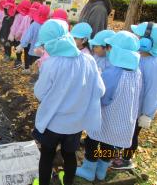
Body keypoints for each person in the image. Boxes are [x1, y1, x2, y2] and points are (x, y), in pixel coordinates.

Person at [32, 19, 105, 185]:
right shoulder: (89, 60)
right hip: (76, 123)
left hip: (53, 122)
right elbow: (100, 90)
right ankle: (68, 181)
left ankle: (44, 182)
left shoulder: (51, 64)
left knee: (47, 154)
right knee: (69, 154)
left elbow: (40, 93)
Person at [77, 31, 142, 182]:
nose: (109, 50)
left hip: (107, 117)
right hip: (123, 118)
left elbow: (103, 97)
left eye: (111, 47)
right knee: (109, 145)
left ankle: (88, 169)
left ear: (118, 51)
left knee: (93, 142)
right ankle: (102, 169)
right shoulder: (136, 71)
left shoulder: (113, 72)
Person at [111, 22, 157, 169]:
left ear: (146, 42)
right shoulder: (139, 57)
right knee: (125, 132)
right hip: (130, 106)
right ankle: (117, 153)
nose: (136, 37)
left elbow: (153, 92)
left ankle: (127, 160)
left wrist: (147, 114)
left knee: (133, 135)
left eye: (138, 35)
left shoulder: (153, 64)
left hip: (139, 111)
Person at [16, 5, 50, 74]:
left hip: (34, 49)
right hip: (44, 51)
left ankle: (32, 74)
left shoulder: (34, 24)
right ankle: (37, 76)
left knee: (34, 63)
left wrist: (22, 45)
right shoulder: (48, 25)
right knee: (40, 65)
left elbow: (28, 36)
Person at [8, 0, 31, 69]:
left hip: (18, 36)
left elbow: (15, 26)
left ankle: (18, 61)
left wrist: (13, 34)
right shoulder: (28, 17)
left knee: (17, 49)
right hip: (25, 37)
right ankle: (25, 64)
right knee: (25, 51)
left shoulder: (18, 16)